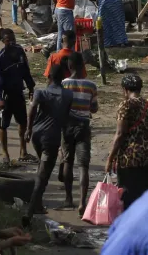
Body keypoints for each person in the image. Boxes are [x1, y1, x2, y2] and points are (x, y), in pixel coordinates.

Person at [105, 73, 148, 209]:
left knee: (129, 196)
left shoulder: (125, 105)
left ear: (125, 90)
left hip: (130, 158)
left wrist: (110, 158)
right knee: (147, 195)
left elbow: (120, 134)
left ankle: (131, 224)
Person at [24, 64, 74, 225]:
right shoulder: (68, 95)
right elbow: (65, 119)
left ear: (49, 77)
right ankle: (30, 212)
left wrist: (28, 129)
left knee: (42, 167)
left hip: (37, 136)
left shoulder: (40, 92)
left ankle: (36, 205)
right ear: (62, 78)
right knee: (43, 175)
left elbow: (32, 110)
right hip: (51, 138)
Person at [0, 28, 36, 165]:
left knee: (22, 122)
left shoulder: (20, 52)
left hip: (18, 93)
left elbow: (26, 71)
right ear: (4, 42)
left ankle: (23, 151)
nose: (12, 42)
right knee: (3, 125)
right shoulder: (0, 58)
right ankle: (5, 154)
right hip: (5, 96)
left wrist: (31, 87)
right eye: (8, 40)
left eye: (13, 39)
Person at [61, 52, 98, 212]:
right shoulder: (91, 86)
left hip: (67, 127)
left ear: (69, 66)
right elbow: (94, 108)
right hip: (83, 126)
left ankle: (69, 199)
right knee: (83, 166)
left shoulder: (63, 84)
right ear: (82, 65)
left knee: (67, 162)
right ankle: (83, 202)